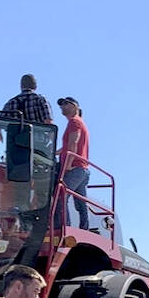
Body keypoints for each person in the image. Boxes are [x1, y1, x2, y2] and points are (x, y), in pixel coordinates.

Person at [55, 96, 90, 229]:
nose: (62, 107)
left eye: (66, 104)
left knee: (60, 196)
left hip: (75, 168)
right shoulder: (79, 122)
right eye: (61, 105)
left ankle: (64, 227)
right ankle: (84, 228)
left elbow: (73, 143)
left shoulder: (74, 122)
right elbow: (68, 146)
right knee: (81, 203)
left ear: (75, 106)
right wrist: (56, 153)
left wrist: (68, 164)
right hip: (82, 169)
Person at [0, 73, 53, 143]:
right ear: (35, 86)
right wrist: (53, 143)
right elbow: (48, 123)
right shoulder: (40, 99)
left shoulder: (11, 103)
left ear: (21, 86)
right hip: (38, 145)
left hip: (16, 145)